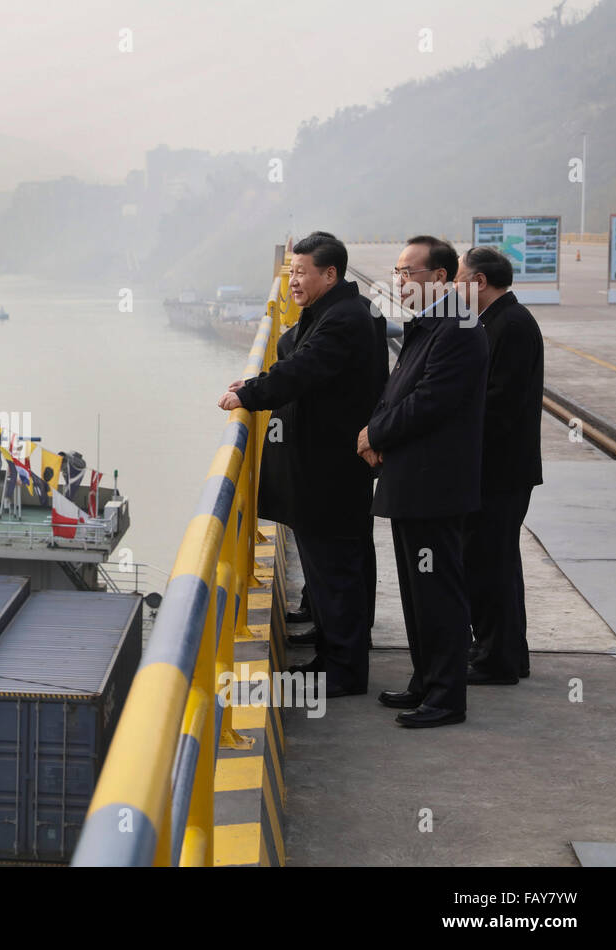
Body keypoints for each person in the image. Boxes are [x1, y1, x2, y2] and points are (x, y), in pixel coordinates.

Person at [219, 232, 384, 696]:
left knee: (336, 567)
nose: (292, 279)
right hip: (325, 465)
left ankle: (345, 670)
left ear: (329, 274)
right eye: (290, 270)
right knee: (331, 566)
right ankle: (334, 650)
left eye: (300, 271)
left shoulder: (345, 320)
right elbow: (297, 357)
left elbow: (304, 367)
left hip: (328, 468)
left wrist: (249, 393)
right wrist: (261, 380)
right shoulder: (340, 312)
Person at [357, 236, 488, 728]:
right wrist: (375, 429)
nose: (399, 280)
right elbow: (397, 390)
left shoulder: (460, 328)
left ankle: (446, 698)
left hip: (436, 485)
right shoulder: (427, 325)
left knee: (439, 592)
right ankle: (424, 680)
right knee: (416, 591)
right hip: (411, 481)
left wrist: (374, 433)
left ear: (438, 277)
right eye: (397, 271)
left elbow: (431, 401)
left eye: (408, 272)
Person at [455, 246, 543, 684]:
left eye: (458, 278)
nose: (454, 287)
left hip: (502, 471)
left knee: (490, 563)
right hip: (494, 469)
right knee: (495, 563)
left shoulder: (513, 325)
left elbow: (500, 403)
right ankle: (505, 652)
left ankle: (497, 660)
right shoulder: (495, 321)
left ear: (479, 282)